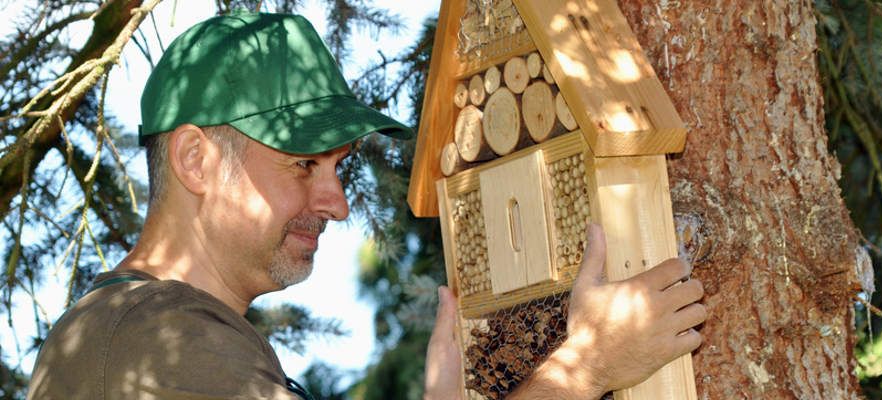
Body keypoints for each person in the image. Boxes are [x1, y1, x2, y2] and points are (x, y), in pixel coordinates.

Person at [26, 12, 706, 400]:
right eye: (303, 164)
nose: (338, 203)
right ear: (196, 160)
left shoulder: (123, 331)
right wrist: (586, 366)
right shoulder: (166, 340)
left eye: (340, 166)